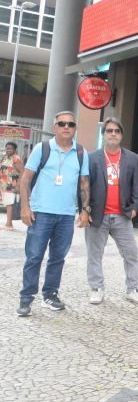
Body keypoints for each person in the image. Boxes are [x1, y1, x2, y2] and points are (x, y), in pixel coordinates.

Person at [16, 111, 90, 317]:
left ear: (75, 128)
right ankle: (26, 299)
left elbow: (84, 184)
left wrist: (85, 210)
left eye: (71, 124)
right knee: (34, 257)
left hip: (66, 215)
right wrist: (24, 207)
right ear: (54, 127)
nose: (66, 127)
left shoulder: (81, 152)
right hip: (40, 213)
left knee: (58, 258)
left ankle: (50, 294)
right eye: (62, 123)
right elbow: (25, 179)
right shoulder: (42, 149)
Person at [85, 117, 138, 305]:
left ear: (121, 135)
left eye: (117, 131)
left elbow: (137, 185)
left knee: (131, 253)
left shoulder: (132, 158)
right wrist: (84, 210)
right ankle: (96, 288)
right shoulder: (92, 157)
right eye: (109, 130)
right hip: (97, 215)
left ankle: (132, 289)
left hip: (122, 215)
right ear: (104, 134)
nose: (113, 134)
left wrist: (135, 207)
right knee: (95, 254)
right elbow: (84, 185)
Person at [1, 141, 23, 230]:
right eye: (7, 148)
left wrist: (18, 185)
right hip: (4, 184)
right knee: (7, 203)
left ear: (15, 150)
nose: (8, 150)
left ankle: (9, 225)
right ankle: (8, 223)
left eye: (11, 149)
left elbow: (22, 172)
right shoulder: (5, 157)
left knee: (10, 203)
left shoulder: (16, 159)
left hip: (11, 184)